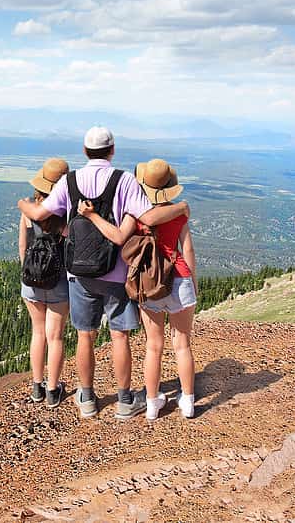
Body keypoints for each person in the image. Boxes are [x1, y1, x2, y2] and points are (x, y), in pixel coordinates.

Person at [18, 127, 187, 420]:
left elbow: (39, 215)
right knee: (119, 336)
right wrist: (183, 208)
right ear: (112, 150)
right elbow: (147, 217)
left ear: (84, 151)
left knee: (86, 336)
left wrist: (22, 204)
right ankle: (124, 400)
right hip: (116, 271)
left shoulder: (69, 181)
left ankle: (86, 398)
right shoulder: (125, 180)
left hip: (78, 273)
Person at [78, 158, 197, 419]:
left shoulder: (135, 215)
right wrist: (193, 283)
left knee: (153, 346)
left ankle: (153, 403)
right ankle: (187, 401)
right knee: (183, 344)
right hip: (180, 278)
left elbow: (119, 238)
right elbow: (187, 250)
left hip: (148, 283)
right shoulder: (179, 214)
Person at [18, 157, 71, 408]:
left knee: (37, 333)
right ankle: (53, 391)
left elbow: (22, 246)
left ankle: (36, 388)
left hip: (31, 281)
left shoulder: (29, 209)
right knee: (55, 337)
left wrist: (28, 272)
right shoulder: (66, 214)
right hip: (59, 282)